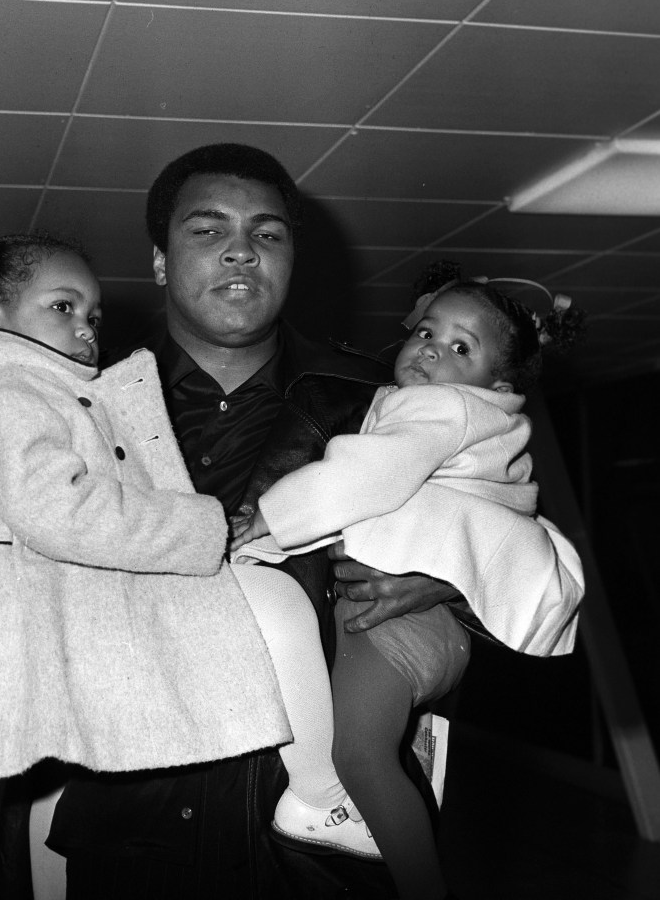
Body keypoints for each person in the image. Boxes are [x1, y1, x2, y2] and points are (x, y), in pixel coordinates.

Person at [2, 144, 584, 900]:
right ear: (158, 260)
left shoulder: (388, 400)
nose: (241, 251)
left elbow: (519, 552)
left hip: (320, 850)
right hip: (138, 828)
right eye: (208, 231)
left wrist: (444, 589)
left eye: (267, 234)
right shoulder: (75, 405)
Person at [0, 232, 293, 787]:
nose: (86, 326)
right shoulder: (7, 392)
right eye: (62, 307)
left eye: (94, 313)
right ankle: (320, 794)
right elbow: (64, 512)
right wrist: (202, 529)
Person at [230, 264, 586, 899]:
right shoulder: (478, 425)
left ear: (496, 384)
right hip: (424, 634)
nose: (430, 348)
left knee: (358, 756)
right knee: (356, 748)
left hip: (400, 627)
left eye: (460, 347)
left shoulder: (442, 410)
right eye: (426, 330)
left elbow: (360, 476)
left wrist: (266, 517)